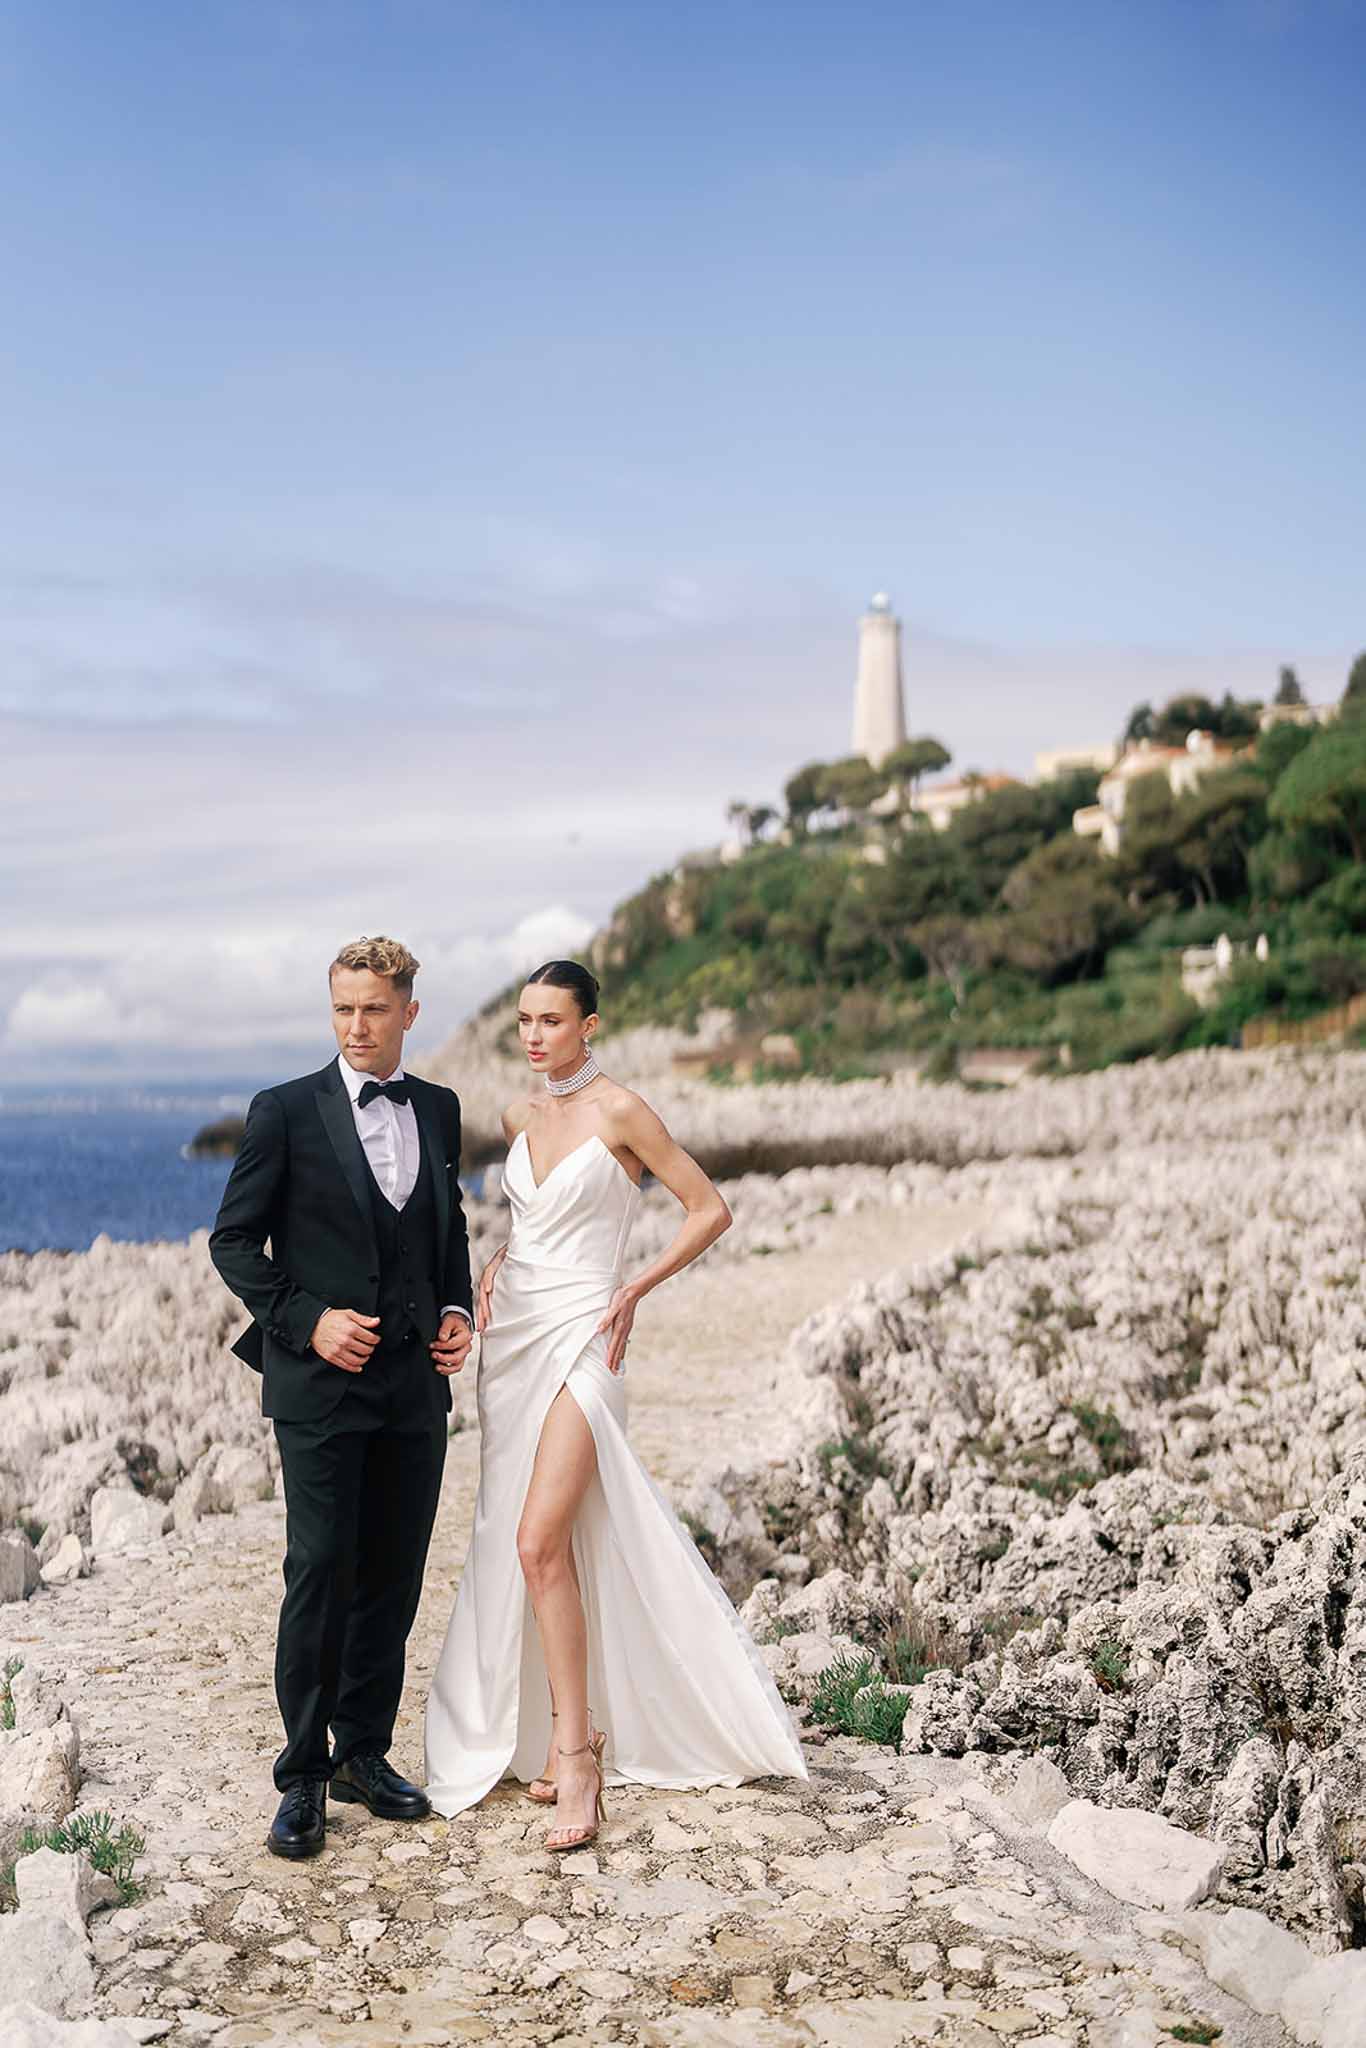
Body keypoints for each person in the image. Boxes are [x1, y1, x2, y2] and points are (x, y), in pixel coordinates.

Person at [423, 959, 805, 1851]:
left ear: (589, 1026)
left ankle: (579, 1762)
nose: (532, 1036)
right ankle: (564, 1733)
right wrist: (495, 1261)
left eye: (551, 1021)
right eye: (523, 1020)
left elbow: (709, 1209)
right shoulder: (521, 1115)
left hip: (588, 1340)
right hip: (513, 1343)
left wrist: (636, 1287)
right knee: (546, 1543)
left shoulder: (623, 1112)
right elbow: (535, 1220)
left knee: (536, 1540)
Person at [210, 936, 474, 1859]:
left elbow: (449, 1225)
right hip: (321, 1387)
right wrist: (311, 1318)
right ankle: (303, 1775)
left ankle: (365, 1752)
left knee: (393, 1574)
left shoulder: (436, 1109)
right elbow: (234, 1243)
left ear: (408, 1012)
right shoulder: (283, 1111)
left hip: (414, 1386)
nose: (356, 1027)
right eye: (342, 1009)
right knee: (320, 1571)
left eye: (373, 1009)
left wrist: (454, 1307)